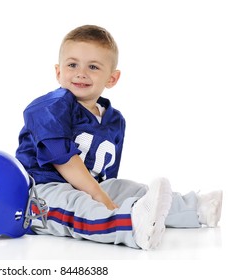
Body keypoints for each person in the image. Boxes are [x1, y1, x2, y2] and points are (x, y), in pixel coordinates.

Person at [15, 24, 223, 250]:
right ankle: (130, 225)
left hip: (89, 185)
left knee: (128, 189)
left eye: (93, 66)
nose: (81, 73)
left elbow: (107, 177)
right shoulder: (50, 108)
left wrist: (107, 193)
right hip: (42, 191)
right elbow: (63, 159)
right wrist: (101, 198)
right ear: (58, 72)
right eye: (72, 64)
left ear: (112, 78)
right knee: (78, 205)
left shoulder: (114, 120)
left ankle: (195, 209)